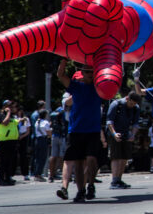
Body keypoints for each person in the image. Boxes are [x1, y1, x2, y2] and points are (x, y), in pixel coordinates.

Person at [56, 61, 103, 202]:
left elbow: (115, 83)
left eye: (93, 72)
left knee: (91, 159)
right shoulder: (75, 86)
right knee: (78, 162)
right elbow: (60, 75)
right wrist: (64, 59)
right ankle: (81, 191)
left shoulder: (99, 87)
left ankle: (91, 184)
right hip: (76, 129)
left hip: (93, 129)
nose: (90, 74)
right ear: (82, 73)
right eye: (87, 72)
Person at [106, 91, 140, 189]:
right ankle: (114, 181)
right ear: (127, 98)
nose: (132, 105)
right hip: (114, 133)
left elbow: (135, 124)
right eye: (131, 103)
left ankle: (119, 179)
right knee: (116, 157)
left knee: (124, 157)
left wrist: (133, 134)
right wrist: (114, 134)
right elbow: (109, 121)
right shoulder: (116, 104)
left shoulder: (135, 108)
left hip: (126, 133)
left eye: (134, 104)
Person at [0, 100, 19, 186]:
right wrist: (8, 113)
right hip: (4, 141)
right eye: (8, 106)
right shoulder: (1, 116)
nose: (11, 108)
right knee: (4, 161)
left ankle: (8, 178)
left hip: (12, 141)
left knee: (10, 161)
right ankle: (1, 179)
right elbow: (5, 123)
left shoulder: (12, 117)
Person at [49, 93, 71, 182]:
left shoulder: (56, 111)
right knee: (63, 157)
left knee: (53, 156)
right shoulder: (66, 110)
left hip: (54, 135)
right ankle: (64, 176)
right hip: (63, 136)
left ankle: (51, 176)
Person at [31, 109, 52, 181]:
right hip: (43, 140)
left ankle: (36, 173)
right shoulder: (46, 122)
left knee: (37, 157)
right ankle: (38, 174)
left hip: (37, 140)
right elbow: (48, 133)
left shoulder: (37, 122)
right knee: (43, 158)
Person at [16, 106, 31, 180]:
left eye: (21, 110)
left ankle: (25, 173)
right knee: (15, 155)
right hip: (15, 136)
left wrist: (22, 136)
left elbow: (28, 131)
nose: (20, 112)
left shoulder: (26, 119)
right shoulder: (15, 118)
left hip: (23, 137)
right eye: (19, 110)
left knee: (24, 156)